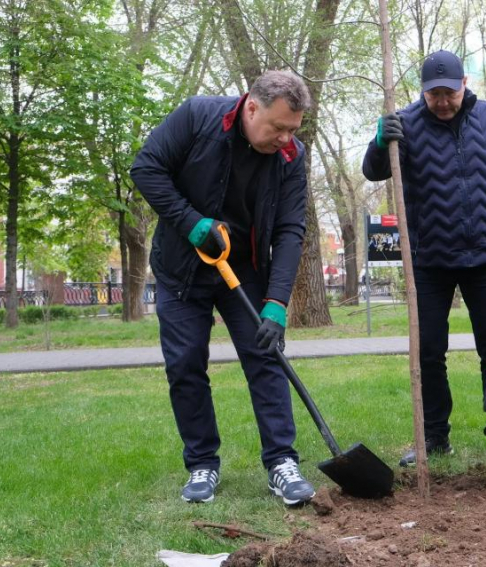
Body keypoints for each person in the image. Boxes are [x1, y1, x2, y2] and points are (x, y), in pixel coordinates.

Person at [130, 70, 316, 505]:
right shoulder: (197, 117)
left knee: (266, 357)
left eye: (293, 129)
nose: (286, 139)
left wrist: (276, 302)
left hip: (245, 269)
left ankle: (281, 462)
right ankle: (202, 464)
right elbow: (146, 168)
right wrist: (191, 223)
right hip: (182, 268)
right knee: (185, 365)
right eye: (279, 127)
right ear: (251, 108)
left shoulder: (291, 155)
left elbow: (290, 228)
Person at [363, 50, 486, 469]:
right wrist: (380, 142)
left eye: (449, 93)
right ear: (423, 91)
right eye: (434, 94)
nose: (442, 101)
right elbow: (373, 171)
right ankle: (434, 437)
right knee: (428, 352)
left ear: (463, 84)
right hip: (429, 259)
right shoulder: (405, 123)